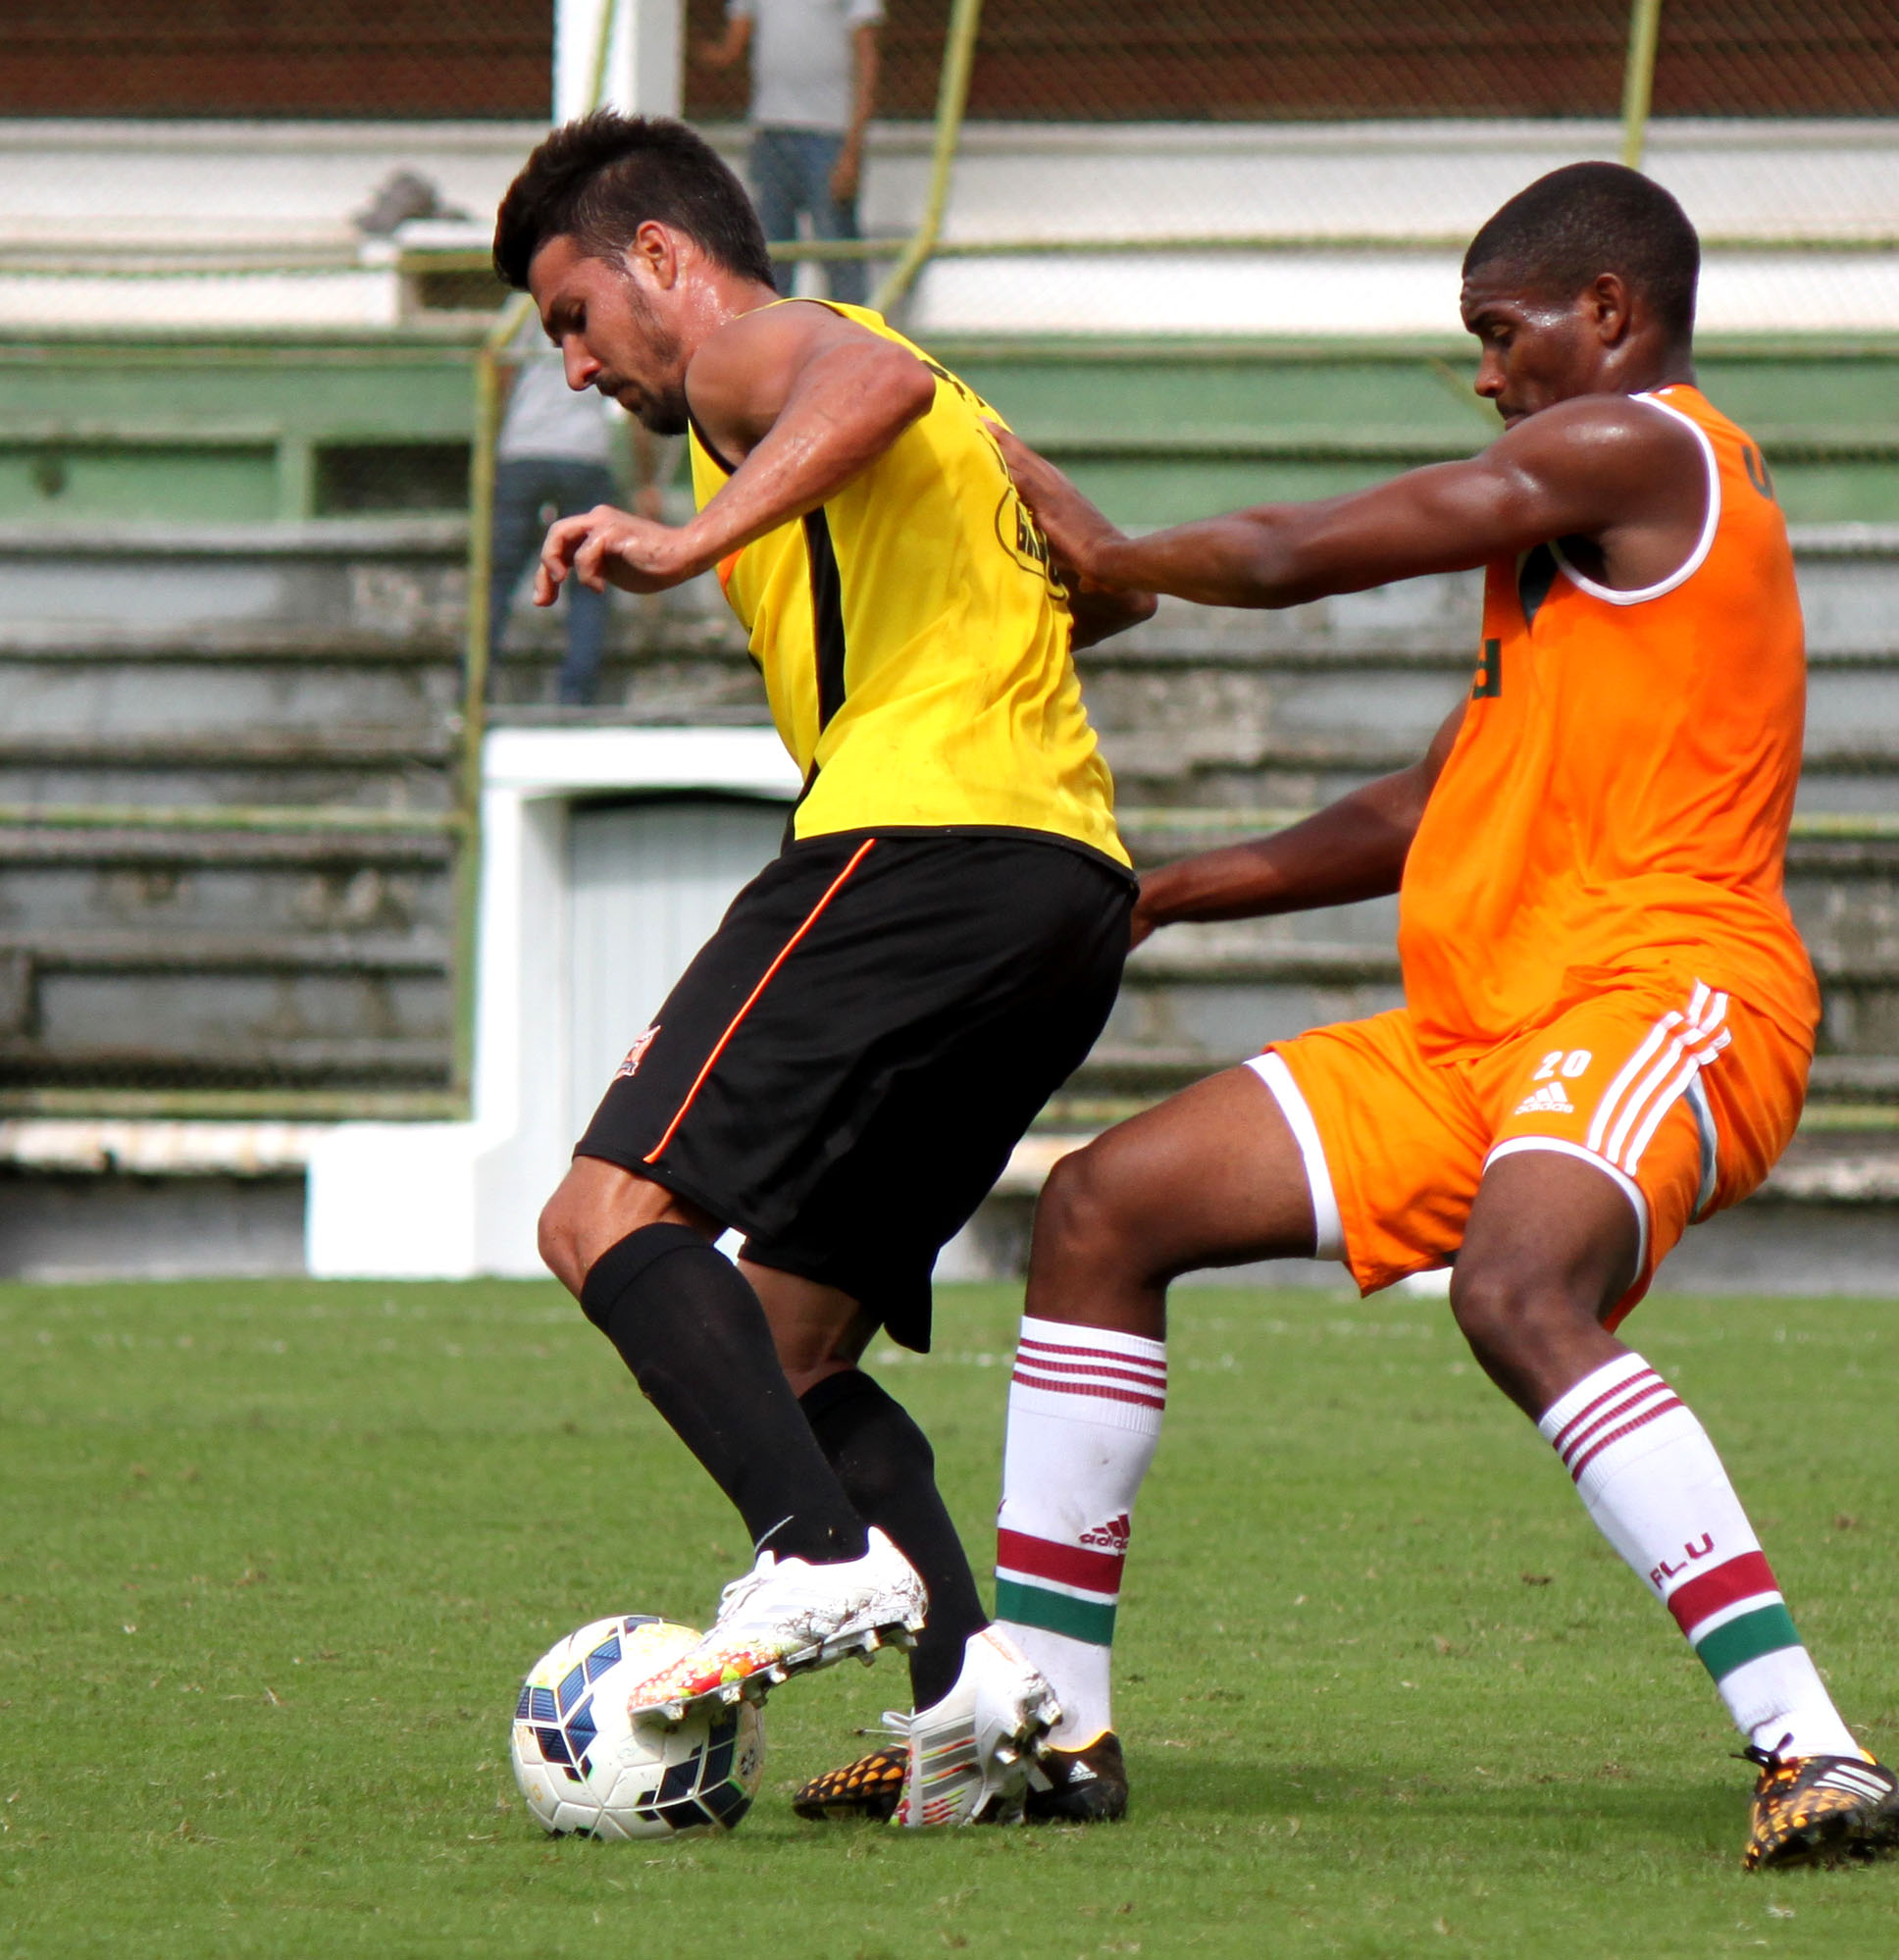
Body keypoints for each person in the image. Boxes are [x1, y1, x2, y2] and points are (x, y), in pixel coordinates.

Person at [815, 162, 1899, 1863]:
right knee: (1107, 1207)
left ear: (1608, 315)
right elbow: (1427, 804)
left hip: (1667, 993)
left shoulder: (1646, 448)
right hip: (1482, 1034)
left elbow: (1294, 551)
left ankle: (1813, 1746)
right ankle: (1049, 1723)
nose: (1486, 374)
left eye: (1500, 334)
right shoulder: (1569, 559)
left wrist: (1111, 553)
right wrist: (1173, 888)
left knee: (1514, 1286)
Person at [490, 108, 1152, 1828]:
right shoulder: (938, 392)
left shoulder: (748, 357)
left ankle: (811, 1555)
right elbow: (1108, 574)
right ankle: (995, 1715)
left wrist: (684, 541)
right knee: (789, 1344)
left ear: (659, 257)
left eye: (571, 315)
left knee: (599, 1220)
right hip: (1067, 887)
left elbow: (866, 389)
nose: (574, 367)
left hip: (916, 843)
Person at [485, 338, 662, 706]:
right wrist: (644, 479)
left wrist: (494, 447)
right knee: (590, 575)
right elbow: (633, 402)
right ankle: (576, 695)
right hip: (584, 453)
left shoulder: (523, 315)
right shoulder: (598, 312)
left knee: (498, 578)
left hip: (523, 450)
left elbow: (500, 377)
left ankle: (473, 688)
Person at [701, 0, 880, 304]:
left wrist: (852, 149)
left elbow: (867, 56)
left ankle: (855, 336)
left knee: (837, 248)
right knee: (771, 251)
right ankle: (778, 339)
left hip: (828, 133)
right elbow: (732, 45)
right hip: (770, 131)